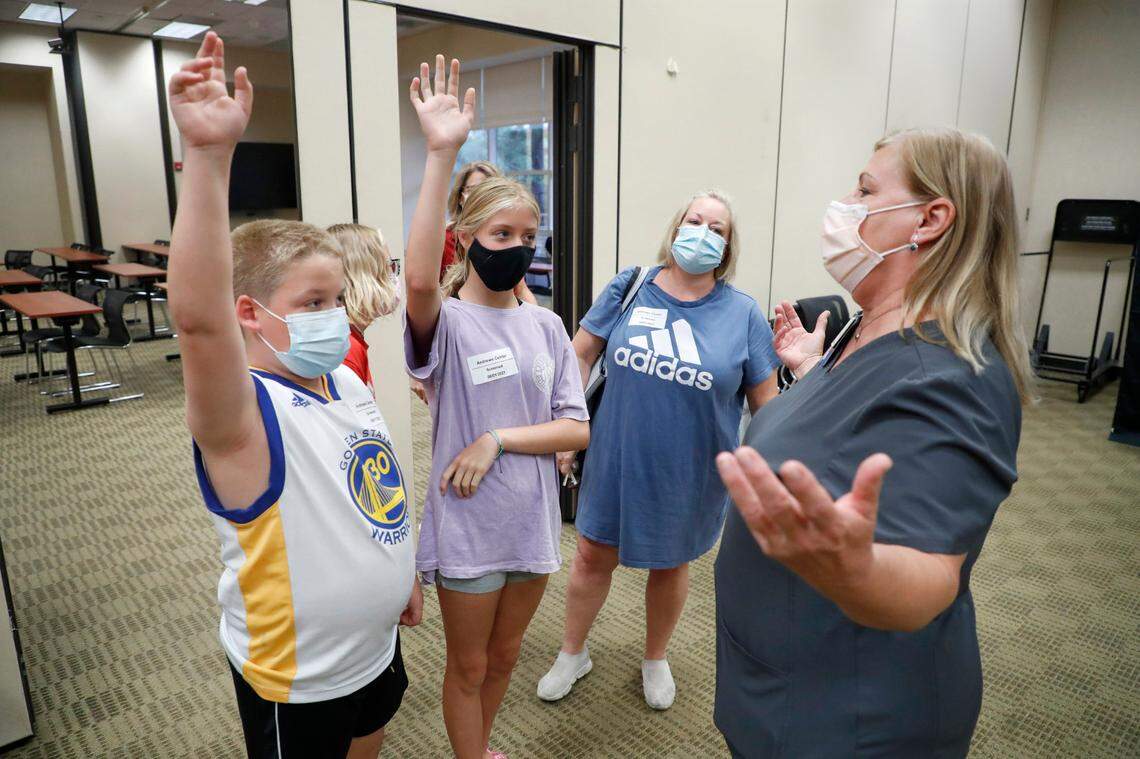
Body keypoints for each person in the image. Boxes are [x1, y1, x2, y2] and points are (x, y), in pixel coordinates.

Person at [713, 127, 1032, 757]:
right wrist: (807, 375)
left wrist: (856, 568)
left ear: (932, 218)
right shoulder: (858, 332)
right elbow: (851, 423)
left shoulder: (955, 378)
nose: (845, 204)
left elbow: (929, 578)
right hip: (776, 678)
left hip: (850, 717)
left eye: (864, 190)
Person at [167, 32, 420, 758]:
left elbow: (370, 478)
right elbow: (197, 318)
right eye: (315, 300)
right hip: (299, 679)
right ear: (250, 313)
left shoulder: (343, 374)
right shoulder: (242, 415)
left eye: (338, 296)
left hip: (373, 648)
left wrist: (396, 568)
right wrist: (210, 159)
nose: (338, 313)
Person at [403, 55, 589, 759]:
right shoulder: (446, 322)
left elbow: (577, 424)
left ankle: (479, 748)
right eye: (501, 235)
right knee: (470, 664)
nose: (517, 248)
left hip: (531, 522)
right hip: (468, 527)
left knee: (507, 657)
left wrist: (499, 439)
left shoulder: (545, 325)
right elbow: (418, 278)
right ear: (468, 237)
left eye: (527, 237)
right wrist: (440, 152)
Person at [537, 190, 780, 710]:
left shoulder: (744, 315)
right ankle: (572, 652)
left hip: (691, 469)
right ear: (676, 227)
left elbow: (769, 405)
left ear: (728, 247)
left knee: (671, 564)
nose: (703, 233)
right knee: (590, 555)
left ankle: (655, 657)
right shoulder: (631, 285)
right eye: (696, 220)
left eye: (717, 228)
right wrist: (566, 426)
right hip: (617, 456)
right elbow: (579, 356)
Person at [444, 161, 537, 305]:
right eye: (503, 234)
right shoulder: (446, 238)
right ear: (461, 197)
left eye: (529, 236)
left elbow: (521, 289)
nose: (483, 194)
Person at [327, 223, 402, 388]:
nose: (394, 278)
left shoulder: (349, 341)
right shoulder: (344, 351)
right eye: (389, 268)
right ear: (361, 276)